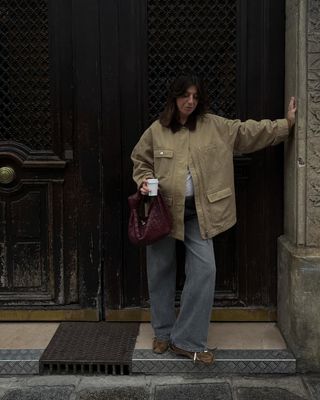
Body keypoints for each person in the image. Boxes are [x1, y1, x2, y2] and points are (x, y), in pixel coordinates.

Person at [131, 75, 297, 365]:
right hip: (164, 211)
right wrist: (144, 181)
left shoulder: (215, 125)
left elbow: (249, 132)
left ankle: (186, 340)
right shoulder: (157, 130)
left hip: (201, 213)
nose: (190, 102)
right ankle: (163, 332)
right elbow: (141, 161)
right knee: (160, 270)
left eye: (195, 97)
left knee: (205, 269)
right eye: (185, 96)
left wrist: (286, 124)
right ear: (174, 98)